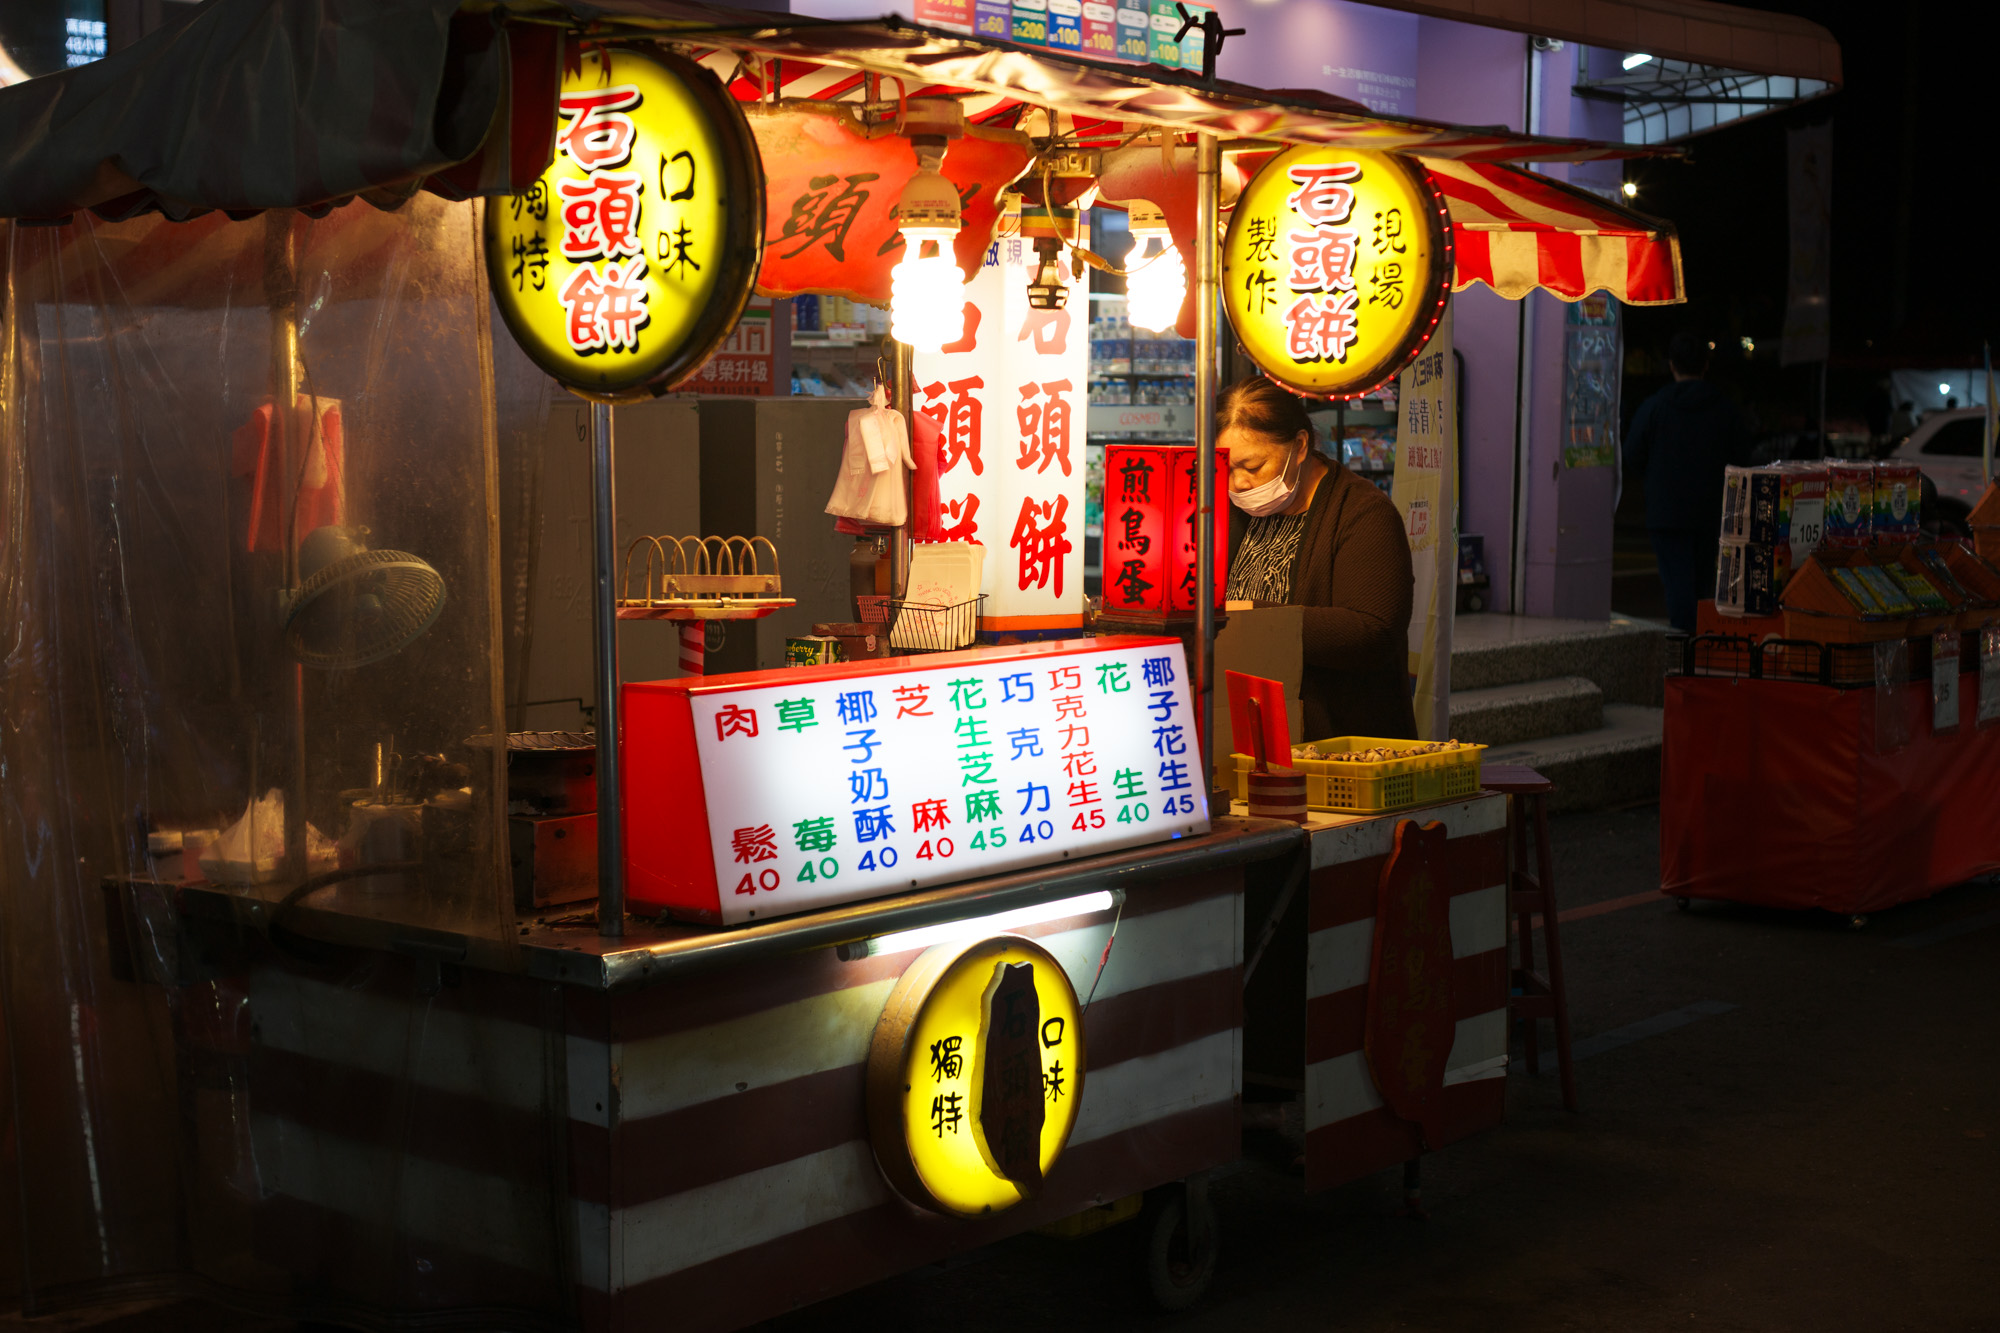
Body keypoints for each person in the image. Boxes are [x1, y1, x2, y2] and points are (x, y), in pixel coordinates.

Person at [1219, 376, 1416, 740]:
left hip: (1335, 740)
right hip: (1248, 729)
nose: (1238, 484)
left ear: (1299, 446)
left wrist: (1253, 617)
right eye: (1226, 469)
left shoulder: (1363, 513)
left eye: (1253, 466)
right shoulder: (1232, 512)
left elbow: (1373, 632)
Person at [1623, 333, 1751, 632]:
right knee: (1704, 582)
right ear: (1705, 365)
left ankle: (1684, 642)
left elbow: (1632, 455)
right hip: (1711, 511)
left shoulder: (1655, 407)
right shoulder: (1725, 409)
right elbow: (1741, 458)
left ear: (1672, 365)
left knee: (1677, 584)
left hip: (1666, 512)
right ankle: (1701, 639)